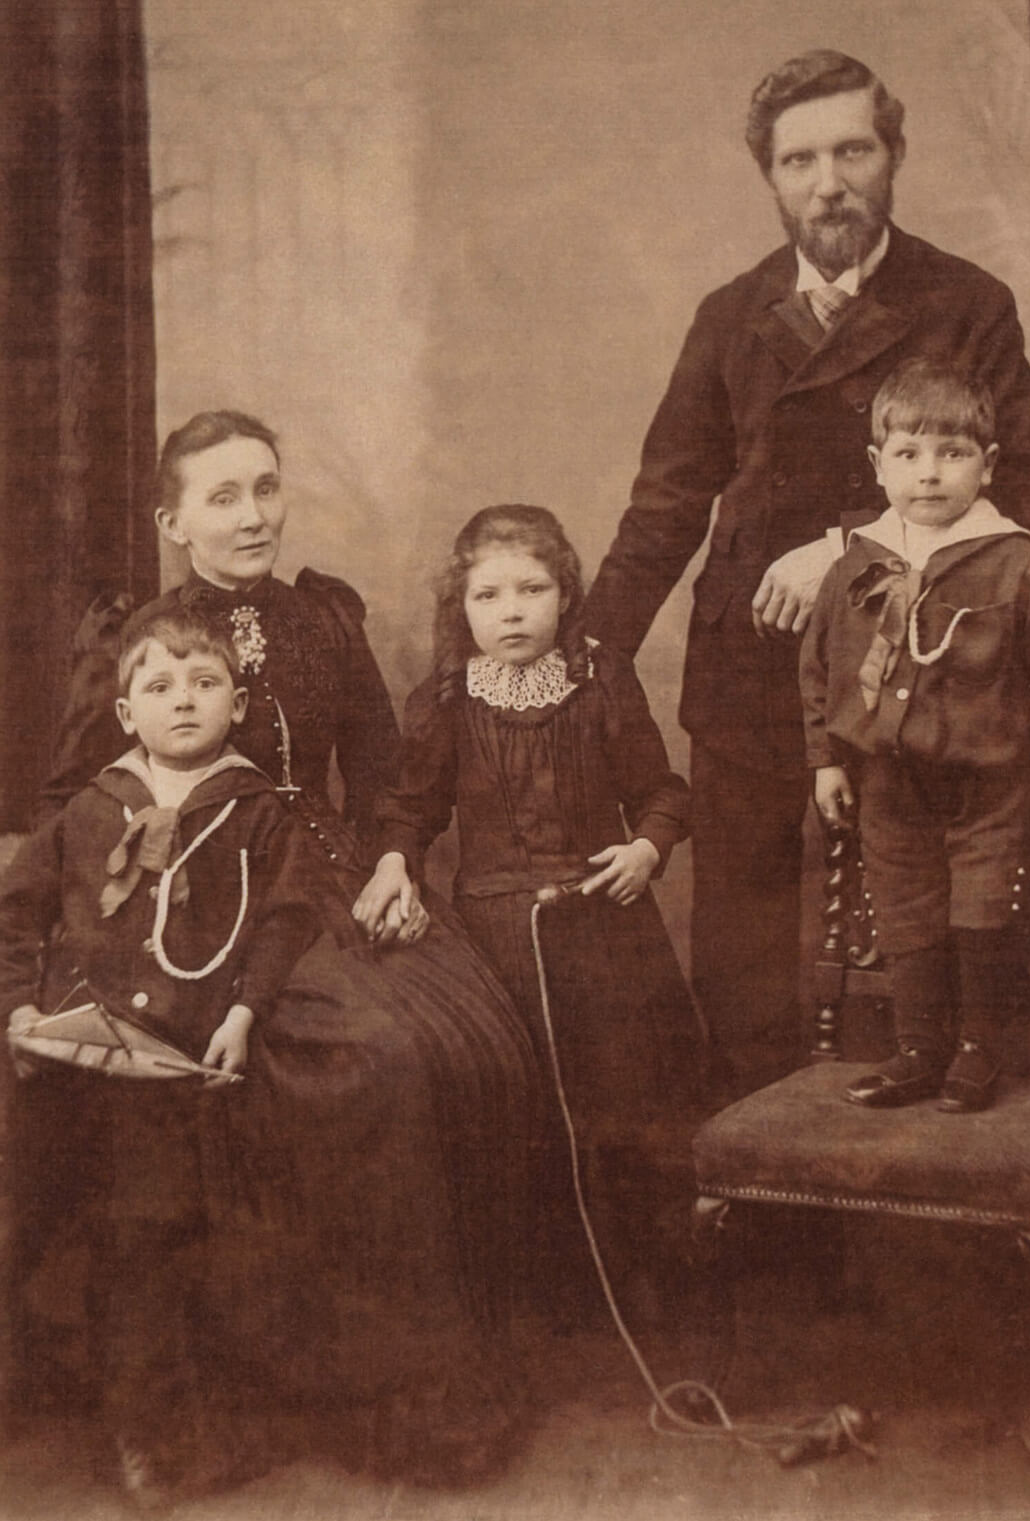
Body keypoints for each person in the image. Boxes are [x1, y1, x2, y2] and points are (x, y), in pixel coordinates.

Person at [26, 411, 538, 1486]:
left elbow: (390, 772)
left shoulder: (322, 618)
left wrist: (398, 860)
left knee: (464, 1031)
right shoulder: (147, 639)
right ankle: (301, 1382)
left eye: (264, 487)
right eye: (222, 497)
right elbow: (76, 800)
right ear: (174, 520)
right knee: (365, 1064)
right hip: (213, 903)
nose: (252, 515)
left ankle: (424, 1378)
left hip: (340, 880)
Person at [583, 48, 1030, 1097]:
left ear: (893, 156)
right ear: (770, 176)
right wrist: (588, 648)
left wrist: (849, 549)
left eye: (852, 150)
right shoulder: (730, 313)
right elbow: (666, 504)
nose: (827, 182)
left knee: (937, 913)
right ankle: (755, 1190)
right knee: (743, 945)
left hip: (923, 677)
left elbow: (1021, 498)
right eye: (800, 160)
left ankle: (924, 1180)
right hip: (747, 661)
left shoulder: (967, 303)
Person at [2, 609, 324, 1503]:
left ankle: (144, 1435)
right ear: (125, 715)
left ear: (239, 701)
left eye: (204, 683)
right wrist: (19, 1006)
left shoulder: (259, 812)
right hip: (58, 1055)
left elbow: (290, 920)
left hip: (168, 1065)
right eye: (159, 686)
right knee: (18, 1203)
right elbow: (17, 913)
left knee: (144, 1236)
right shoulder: (87, 811)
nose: (183, 700)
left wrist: (245, 1012)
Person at [356, 505, 708, 1319]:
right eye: (487, 595)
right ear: (461, 607)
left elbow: (663, 794)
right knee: (519, 1107)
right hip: (496, 945)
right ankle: (544, 1290)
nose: (510, 610)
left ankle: (639, 1277)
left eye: (531, 588)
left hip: (607, 937)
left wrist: (646, 849)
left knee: (621, 1100)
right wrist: (393, 862)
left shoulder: (601, 684)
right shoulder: (446, 699)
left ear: (567, 594)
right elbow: (410, 810)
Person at [800, 358, 1030, 1112]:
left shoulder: (1020, 562)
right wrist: (827, 760)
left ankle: (978, 1049)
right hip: (889, 781)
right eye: (909, 453)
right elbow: (822, 666)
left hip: (990, 780)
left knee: (982, 907)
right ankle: (920, 1047)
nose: (930, 474)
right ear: (878, 463)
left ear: (987, 465)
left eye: (952, 453)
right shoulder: (857, 563)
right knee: (907, 909)